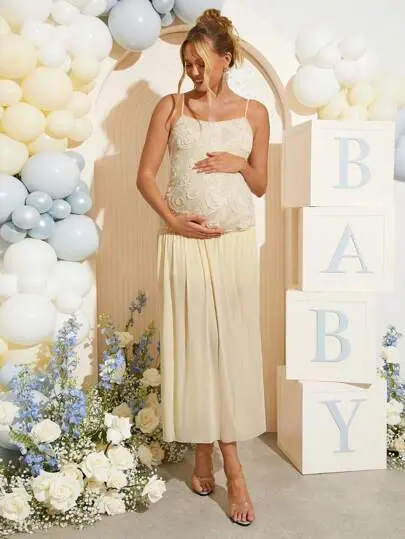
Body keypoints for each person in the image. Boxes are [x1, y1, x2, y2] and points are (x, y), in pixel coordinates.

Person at [137, 9, 269, 527]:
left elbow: (261, 185)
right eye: (187, 64)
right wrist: (173, 220)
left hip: (234, 245)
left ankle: (227, 463)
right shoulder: (170, 107)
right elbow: (146, 176)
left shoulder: (255, 113)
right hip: (182, 244)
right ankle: (209, 455)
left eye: (200, 63)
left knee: (226, 350)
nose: (192, 72)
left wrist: (241, 163)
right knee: (195, 347)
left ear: (225, 59)